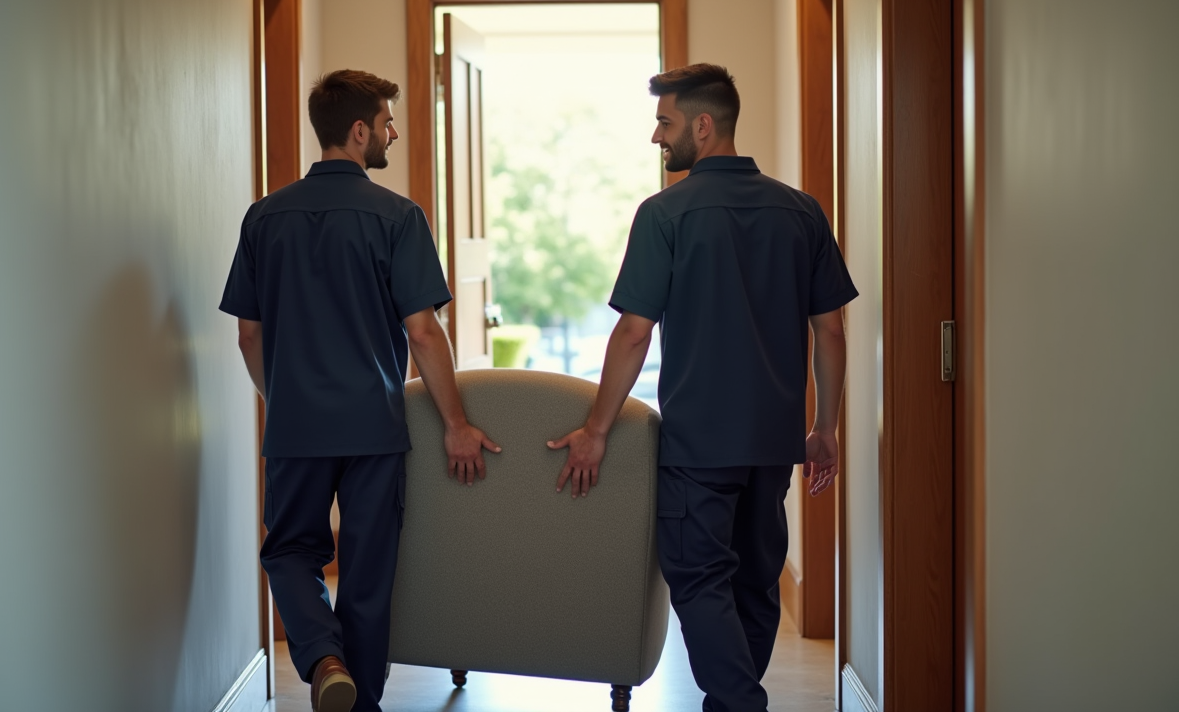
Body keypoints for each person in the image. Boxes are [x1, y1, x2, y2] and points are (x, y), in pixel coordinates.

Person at [547, 63, 856, 711]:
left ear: (704, 126)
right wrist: (825, 427)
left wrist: (596, 429)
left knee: (698, 578)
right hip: (773, 443)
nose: (657, 137)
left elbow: (635, 332)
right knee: (756, 581)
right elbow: (830, 332)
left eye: (665, 122)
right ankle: (733, 700)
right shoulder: (801, 211)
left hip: (698, 442)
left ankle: (740, 703)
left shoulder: (666, 214)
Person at [219, 69, 500, 712]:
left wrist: (280, 398)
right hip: (374, 424)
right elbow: (424, 332)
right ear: (358, 130)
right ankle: (361, 702)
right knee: (368, 574)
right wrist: (455, 422)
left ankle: (323, 659)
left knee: (291, 550)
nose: (391, 133)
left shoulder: (263, 217)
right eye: (387, 122)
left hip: (297, 424)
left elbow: (247, 337)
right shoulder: (398, 216)